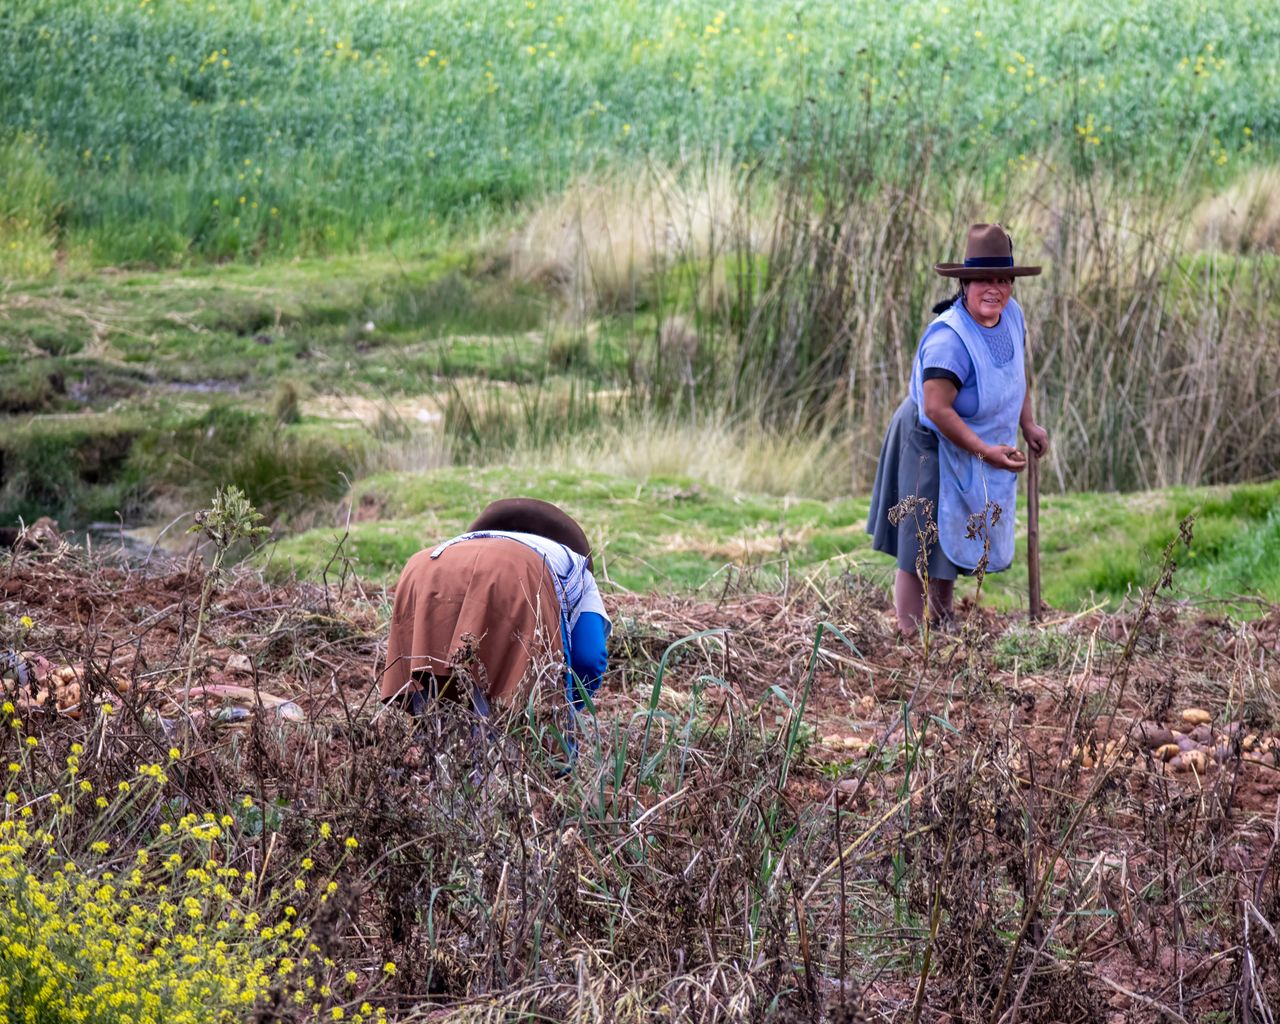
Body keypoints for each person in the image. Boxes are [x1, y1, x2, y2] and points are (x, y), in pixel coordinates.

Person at [867, 223, 1050, 634]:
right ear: (965, 282)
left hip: (969, 440)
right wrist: (985, 450)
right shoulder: (950, 340)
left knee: (950, 536)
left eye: (1003, 279)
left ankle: (944, 621)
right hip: (925, 439)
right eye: (984, 278)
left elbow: (1012, 376)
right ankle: (910, 633)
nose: (995, 288)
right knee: (922, 538)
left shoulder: (1011, 317)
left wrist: (1027, 423)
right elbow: (936, 408)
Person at [381, 498, 610, 751]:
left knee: (432, 673)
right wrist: (566, 711)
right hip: (515, 573)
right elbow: (591, 657)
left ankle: (440, 759)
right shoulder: (578, 567)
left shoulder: (466, 543)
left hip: (424, 567)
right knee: (524, 746)